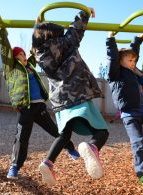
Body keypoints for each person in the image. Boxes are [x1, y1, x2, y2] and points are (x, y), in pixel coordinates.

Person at [32, 8, 109, 185]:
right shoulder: (66, 43)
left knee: (64, 135)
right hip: (78, 94)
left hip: (60, 100)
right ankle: (92, 147)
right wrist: (85, 13)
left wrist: (37, 24)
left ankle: (48, 163)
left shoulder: (38, 54)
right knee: (102, 131)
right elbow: (77, 29)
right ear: (57, 34)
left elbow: (37, 37)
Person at [0, 28, 80, 179]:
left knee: (56, 131)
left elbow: (35, 49)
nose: (23, 56)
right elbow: (5, 52)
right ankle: (15, 166)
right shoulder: (11, 68)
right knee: (21, 138)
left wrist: (38, 27)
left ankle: (70, 148)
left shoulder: (30, 66)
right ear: (15, 57)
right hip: (25, 108)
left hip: (39, 106)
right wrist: (2, 33)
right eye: (20, 54)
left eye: (23, 53)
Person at [106, 32, 143, 186]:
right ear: (120, 61)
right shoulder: (115, 73)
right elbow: (113, 57)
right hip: (129, 114)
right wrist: (110, 40)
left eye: (134, 60)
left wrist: (138, 39)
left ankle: (142, 147)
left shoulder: (134, 71)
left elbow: (133, 51)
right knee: (138, 141)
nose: (133, 63)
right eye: (130, 60)